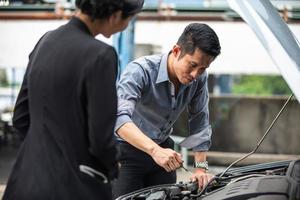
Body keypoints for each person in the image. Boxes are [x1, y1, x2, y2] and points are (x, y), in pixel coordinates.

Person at [3, 0, 144, 199]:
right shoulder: (101, 55)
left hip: (26, 180)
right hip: (75, 186)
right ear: (115, 15)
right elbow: (101, 139)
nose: (127, 25)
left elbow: (21, 117)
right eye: (129, 18)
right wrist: (113, 165)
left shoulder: (46, 40)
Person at [113, 23, 221, 198]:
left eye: (202, 69)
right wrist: (155, 151)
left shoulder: (199, 79)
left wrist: (201, 168)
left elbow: (199, 121)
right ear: (177, 51)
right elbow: (118, 118)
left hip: (164, 151)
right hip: (127, 152)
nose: (195, 74)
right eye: (192, 65)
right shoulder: (140, 71)